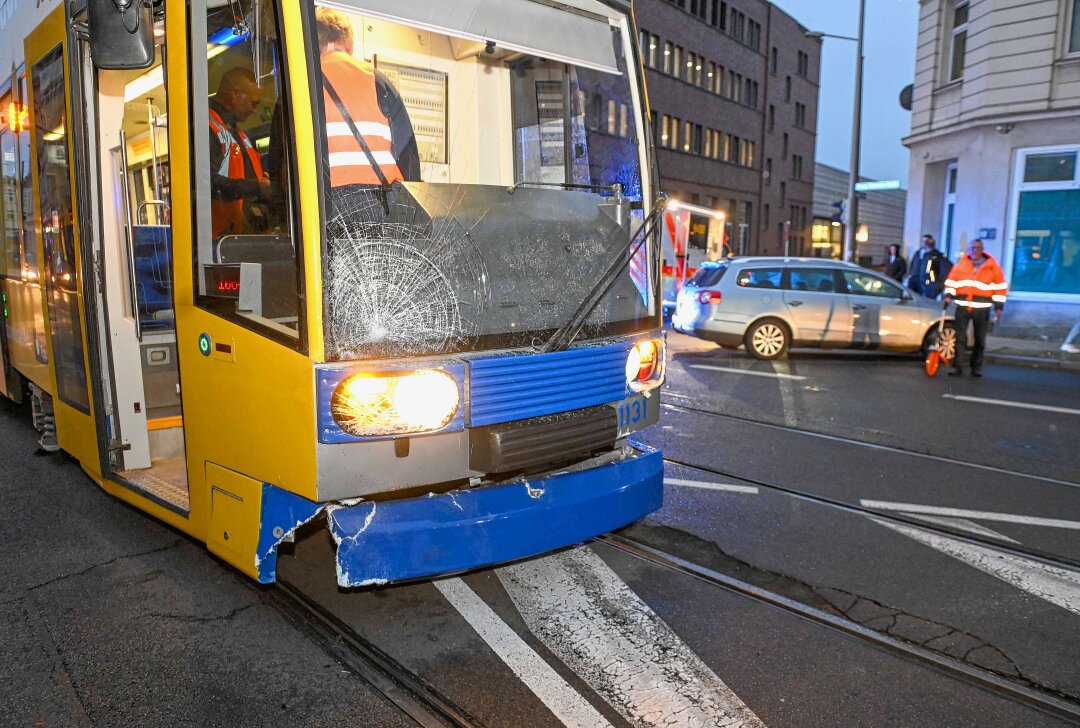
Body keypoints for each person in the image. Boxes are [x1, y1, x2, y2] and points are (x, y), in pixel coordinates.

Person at [316, 8, 420, 225]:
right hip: (380, 204)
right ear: (350, 45)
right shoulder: (378, 80)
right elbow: (407, 155)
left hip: (323, 206)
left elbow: (282, 165)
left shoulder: (301, 85)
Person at [208, 67, 271, 238]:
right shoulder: (207, 128)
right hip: (220, 240)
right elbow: (208, 183)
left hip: (241, 234)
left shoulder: (237, 134)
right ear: (235, 94)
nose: (255, 110)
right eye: (253, 103)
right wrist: (256, 186)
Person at [944, 239, 1008, 377]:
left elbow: (1000, 288)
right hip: (963, 306)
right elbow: (951, 281)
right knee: (960, 338)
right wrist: (948, 296)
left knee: (979, 339)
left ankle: (976, 367)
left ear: (982, 249)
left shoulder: (993, 267)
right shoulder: (961, 265)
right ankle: (957, 366)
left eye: (977, 248)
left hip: (982, 308)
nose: (974, 251)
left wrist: (999, 306)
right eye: (972, 248)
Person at [906, 234, 951, 299]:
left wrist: (936, 285)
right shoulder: (919, 253)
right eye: (923, 241)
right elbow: (912, 264)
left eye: (926, 241)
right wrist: (910, 274)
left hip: (928, 285)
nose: (924, 243)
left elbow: (945, 270)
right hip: (916, 280)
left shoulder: (936, 256)